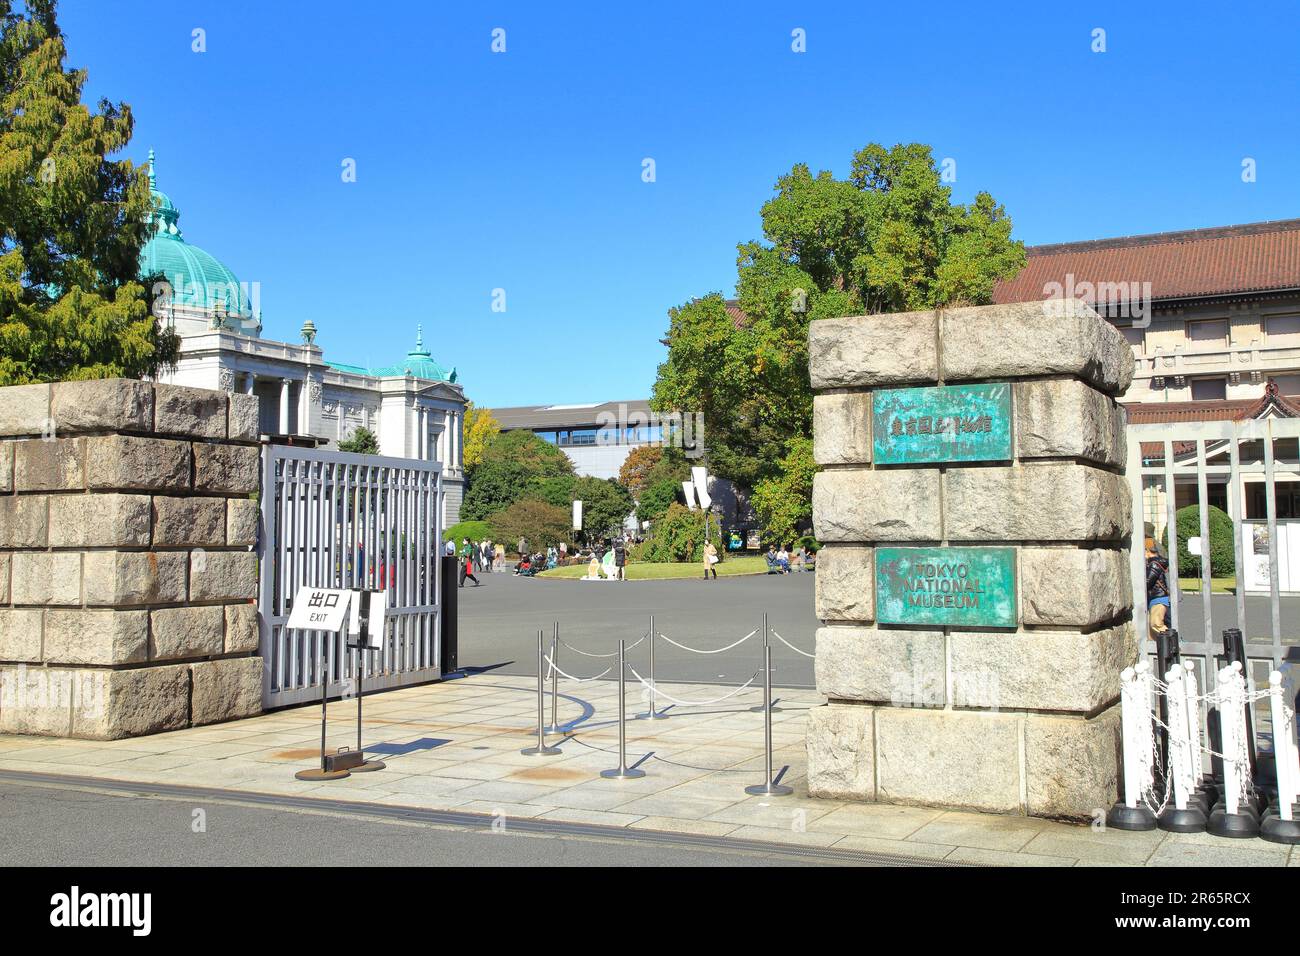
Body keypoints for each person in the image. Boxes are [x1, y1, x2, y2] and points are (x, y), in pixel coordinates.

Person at [1146, 536, 1170, 635]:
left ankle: (1172, 642)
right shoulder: (1155, 562)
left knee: (1156, 624)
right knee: (1151, 629)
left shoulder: (1154, 564)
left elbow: (1148, 581)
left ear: (1148, 551)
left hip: (1158, 598)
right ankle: (1156, 648)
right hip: (1157, 598)